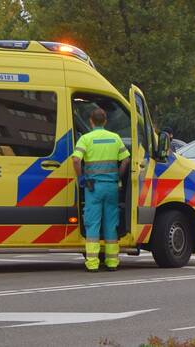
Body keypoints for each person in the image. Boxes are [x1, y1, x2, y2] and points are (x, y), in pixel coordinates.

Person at [72, 107, 130, 272]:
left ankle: (92, 263)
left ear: (91, 121)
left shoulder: (86, 139)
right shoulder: (115, 138)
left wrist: (81, 178)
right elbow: (126, 160)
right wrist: (118, 176)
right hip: (111, 187)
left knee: (93, 224)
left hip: (93, 187)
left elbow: (76, 160)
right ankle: (112, 262)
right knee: (111, 224)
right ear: (105, 121)